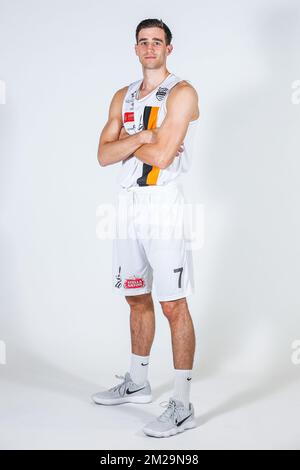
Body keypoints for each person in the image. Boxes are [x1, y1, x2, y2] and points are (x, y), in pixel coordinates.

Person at [92, 18, 200, 438]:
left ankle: (183, 404)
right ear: (135, 49)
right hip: (127, 206)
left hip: (162, 207)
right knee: (136, 296)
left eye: (157, 41)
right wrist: (144, 136)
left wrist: (135, 142)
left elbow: (165, 156)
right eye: (143, 42)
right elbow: (102, 155)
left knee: (173, 304)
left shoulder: (183, 92)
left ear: (169, 49)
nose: (150, 47)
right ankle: (138, 381)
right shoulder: (122, 96)